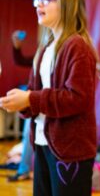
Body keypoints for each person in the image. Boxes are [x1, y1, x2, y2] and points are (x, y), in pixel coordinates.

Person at [0, 0, 98, 196]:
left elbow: (78, 98)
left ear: (67, 6)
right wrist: (22, 103)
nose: (38, 5)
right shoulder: (44, 49)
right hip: (43, 144)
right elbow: (35, 97)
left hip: (70, 150)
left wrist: (29, 99)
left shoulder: (76, 45)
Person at [6, 30, 36, 182]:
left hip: (40, 103)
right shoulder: (41, 55)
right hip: (35, 103)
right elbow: (21, 61)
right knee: (28, 136)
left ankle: (26, 168)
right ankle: (24, 168)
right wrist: (16, 47)